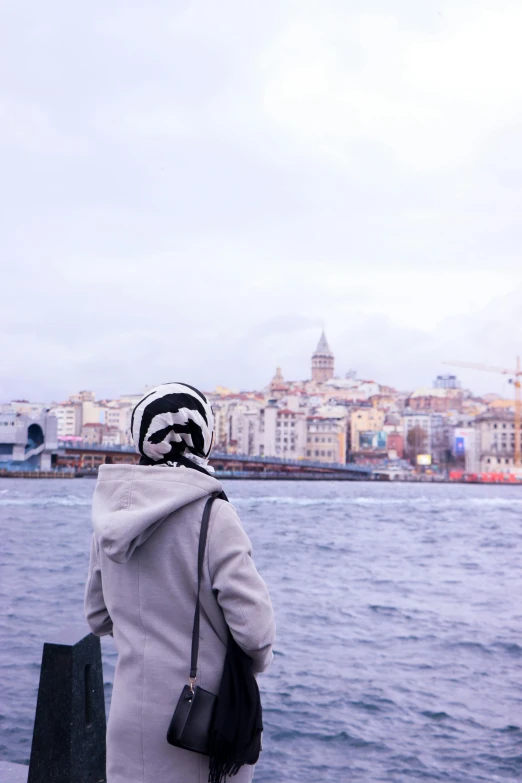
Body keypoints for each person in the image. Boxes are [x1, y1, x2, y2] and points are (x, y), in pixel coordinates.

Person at [84, 382, 276, 783]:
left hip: (129, 715)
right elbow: (255, 632)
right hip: (198, 722)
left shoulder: (111, 517)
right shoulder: (214, 515)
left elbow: (98, 618)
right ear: (202, 438)